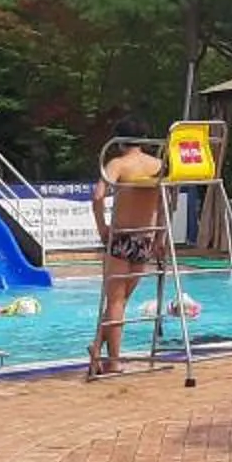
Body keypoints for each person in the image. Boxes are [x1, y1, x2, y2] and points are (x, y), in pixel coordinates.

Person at [89, 117, 166, 378]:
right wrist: (160, 239)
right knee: (120, 302)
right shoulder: (158, 165)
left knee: (115, 301)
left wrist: (102, 227)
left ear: (120, 141)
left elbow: (98, 196)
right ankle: (97, 349)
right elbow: (167, 203)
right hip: (146, 237)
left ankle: (112, 361)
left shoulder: (118, 163)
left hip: (121, 236)